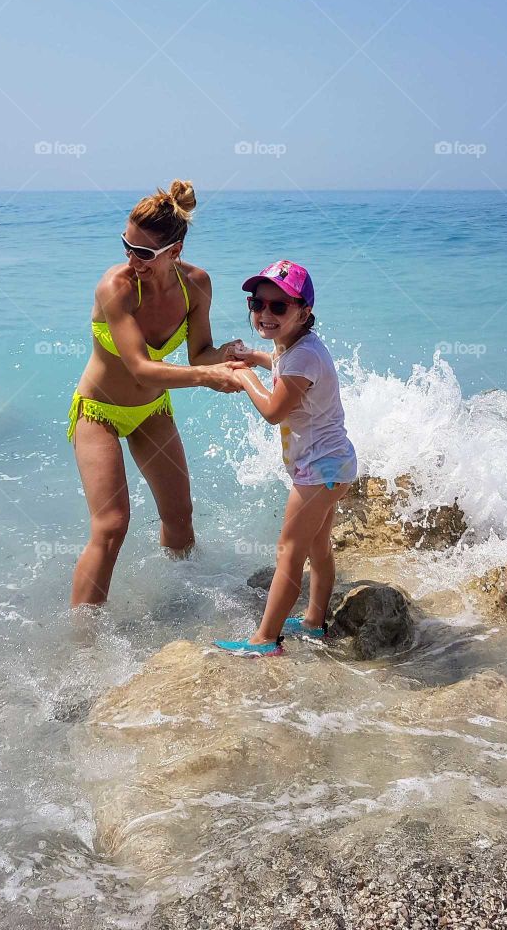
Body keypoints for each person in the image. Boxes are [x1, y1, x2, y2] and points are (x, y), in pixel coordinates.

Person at [68, 180, 244, 607]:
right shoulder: (117, 287)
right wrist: (207, 377)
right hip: (99, 413)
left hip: (151, 411)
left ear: (175, 251)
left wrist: (236, 357)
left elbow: (200, 353)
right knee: (111, 526)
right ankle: (82, 645)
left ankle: (181, 600)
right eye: (126, 246)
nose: (131, 260)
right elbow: (141, 368)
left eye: (144, 253)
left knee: (180, 520)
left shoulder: (196, 285)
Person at [214, 260, 357, 656]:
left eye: (279, 307)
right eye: (257, 304)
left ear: (304, 312)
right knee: (318, 547)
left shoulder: (302, 358)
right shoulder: (295, 348)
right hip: (333, 465)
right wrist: (252, 357)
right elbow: (280, 362)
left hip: (318, 472)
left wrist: (244, 377)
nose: (265, 313)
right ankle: (313, 623)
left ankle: (265, 640)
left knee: (288, 551)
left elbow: (274, 410)